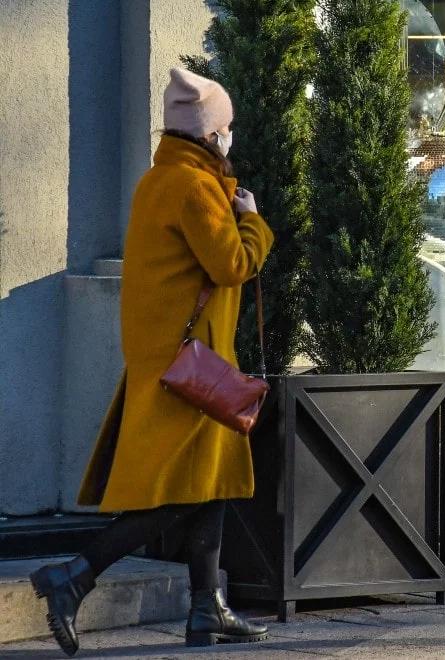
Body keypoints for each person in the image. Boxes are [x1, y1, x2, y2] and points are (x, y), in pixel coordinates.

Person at [29, 68, 274, 657]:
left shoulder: (158, 180)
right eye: (228, 127)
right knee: (176, 495)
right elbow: (233, 266)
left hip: (177, 362)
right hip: (192, 370)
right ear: (212, 133)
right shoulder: (193, 188)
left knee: (210, 483)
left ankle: (204, 608)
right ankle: (74, 576)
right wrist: (253, 219)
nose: (230, 135)